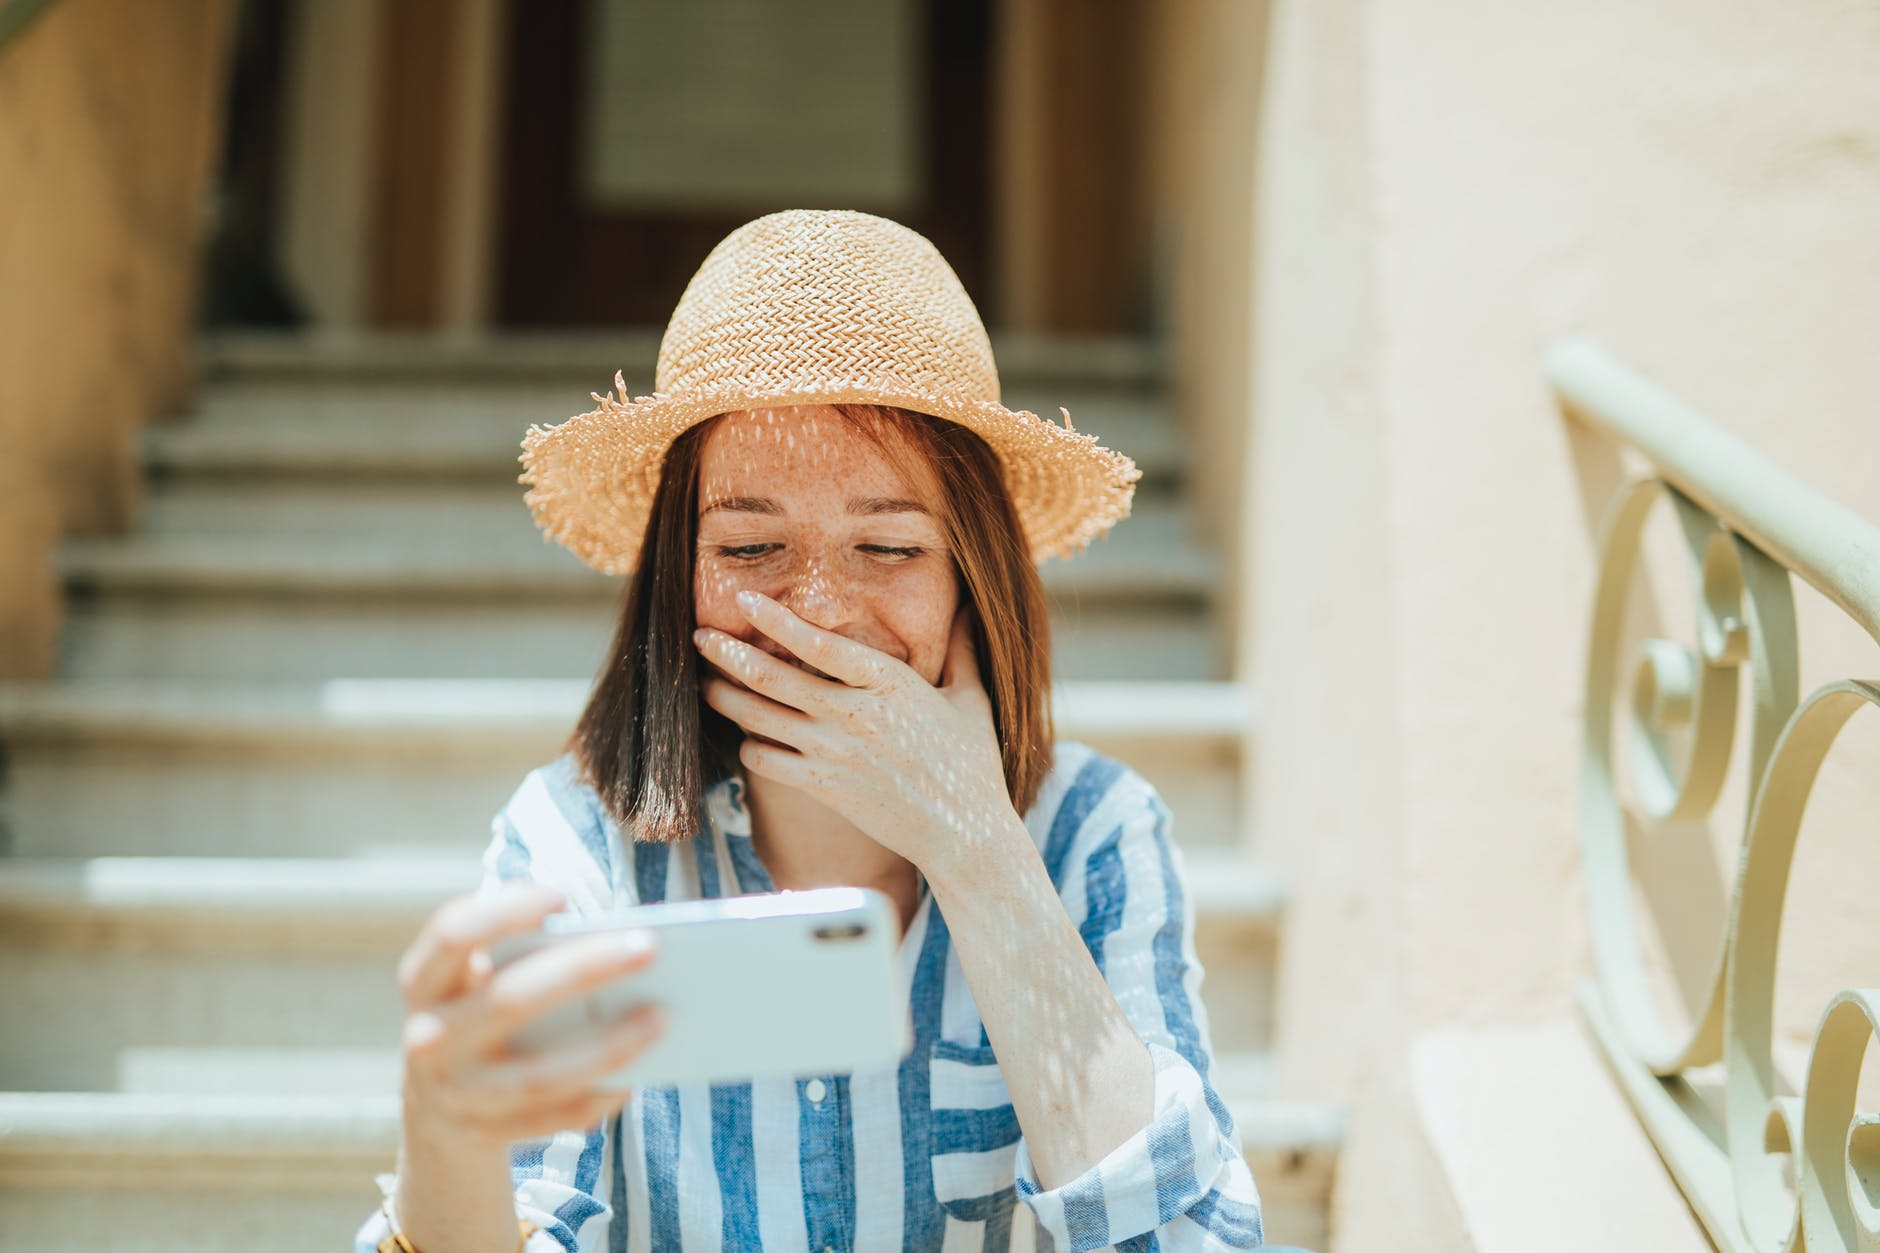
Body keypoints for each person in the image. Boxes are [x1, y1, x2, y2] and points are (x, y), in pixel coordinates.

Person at [355, 209, 1267, 1252]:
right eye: (749, 545)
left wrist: (976, 847)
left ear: (976, 578)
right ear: (675, 577)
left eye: (886, 545)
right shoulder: (576, 844)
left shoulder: (1094, 830)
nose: (820, 609)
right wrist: (446, 1130)